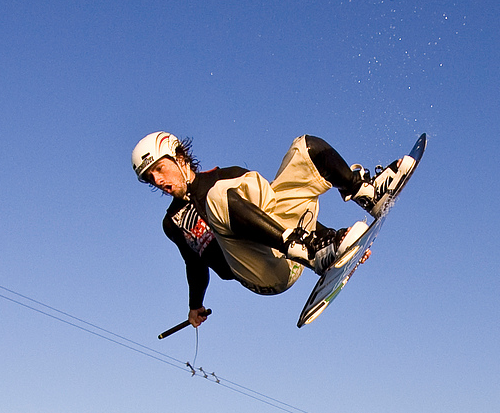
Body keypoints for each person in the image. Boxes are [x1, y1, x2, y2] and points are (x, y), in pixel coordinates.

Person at [131, 132, 415, 327]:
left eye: (159, 168)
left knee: (304, 148)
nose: (157, 180)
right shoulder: (174, 222)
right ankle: (313, 252)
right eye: (149, 178)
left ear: (179, 157)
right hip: (261, 272)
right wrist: (195, 305)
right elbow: (194, 265)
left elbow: (277, 213)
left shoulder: (225, 176)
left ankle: (368, 193)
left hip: (289, 251)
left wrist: (339, 240)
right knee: (218, 198)